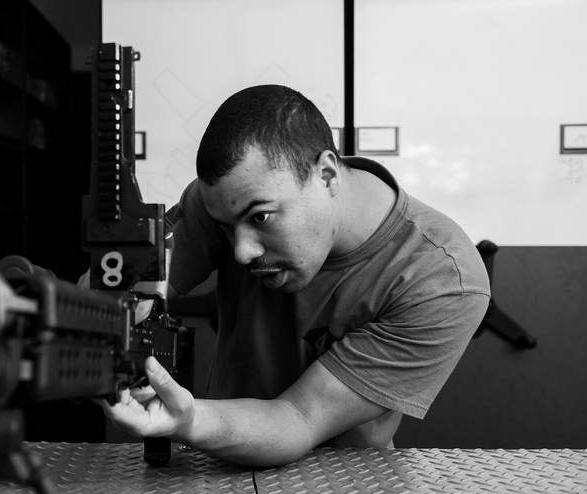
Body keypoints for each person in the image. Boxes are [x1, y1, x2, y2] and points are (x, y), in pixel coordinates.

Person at [98, 84, 490, 468]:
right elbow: (116, 296)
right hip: (219, 463)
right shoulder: (225, 202)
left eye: (260, 218)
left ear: (327, 175)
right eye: (226, 228)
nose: (241, 251)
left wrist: (189, 421)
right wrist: (99, 312)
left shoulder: (441, 280)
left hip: (352, 487)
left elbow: (298, 418)